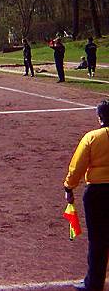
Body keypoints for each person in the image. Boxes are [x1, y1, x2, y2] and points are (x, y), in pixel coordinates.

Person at [64, 100, 109, 291]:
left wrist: (69, 187)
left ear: (100, 118)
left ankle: (94, 284)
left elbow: (77, 166)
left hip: (97, 192)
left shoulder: (92, 137)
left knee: (98, 239)